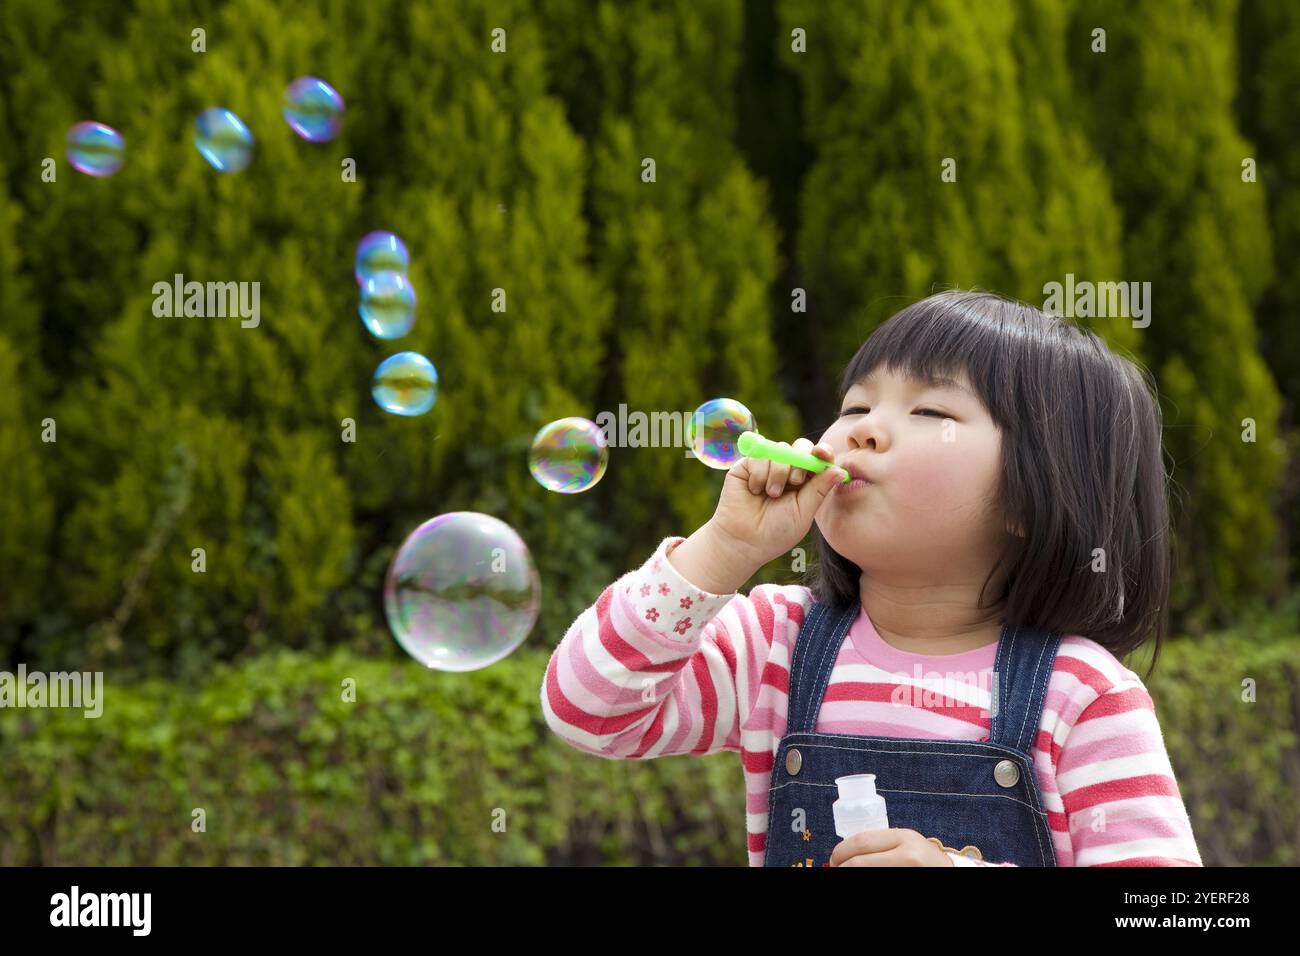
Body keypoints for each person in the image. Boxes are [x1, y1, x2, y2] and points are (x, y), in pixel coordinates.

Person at [541, 289, 1202, 867]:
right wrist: (724, 550)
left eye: (931, 413)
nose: (864, 432)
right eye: (855, 408)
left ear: (1035, 498)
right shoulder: (774, 646)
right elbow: (589, 711)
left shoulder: (1081, 695)